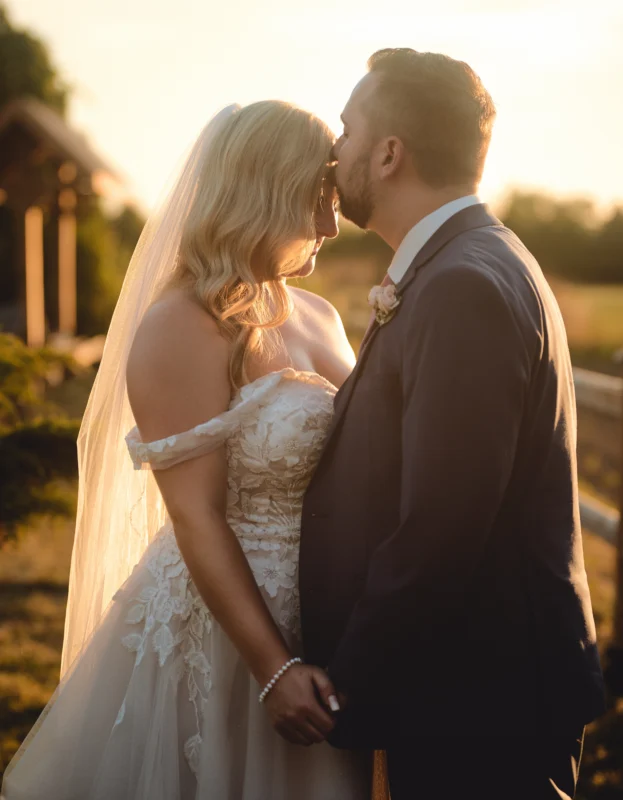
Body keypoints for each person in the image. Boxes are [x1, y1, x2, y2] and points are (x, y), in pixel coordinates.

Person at [1, 101, 372, 800]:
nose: (330, 223)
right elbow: (196, 515)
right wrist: (272, 668)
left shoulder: (319, 314)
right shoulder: (181, 324)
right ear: (261, 192)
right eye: (314, 199)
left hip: (325, 616)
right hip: (228, 636)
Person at [299, 48, 606, 800]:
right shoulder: (461, 262)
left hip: (479, 707)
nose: (333, 152)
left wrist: (344, 685)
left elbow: (441, 526)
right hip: (465, 690)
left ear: (390, 152)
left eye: (346, 129)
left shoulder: (462, 284)